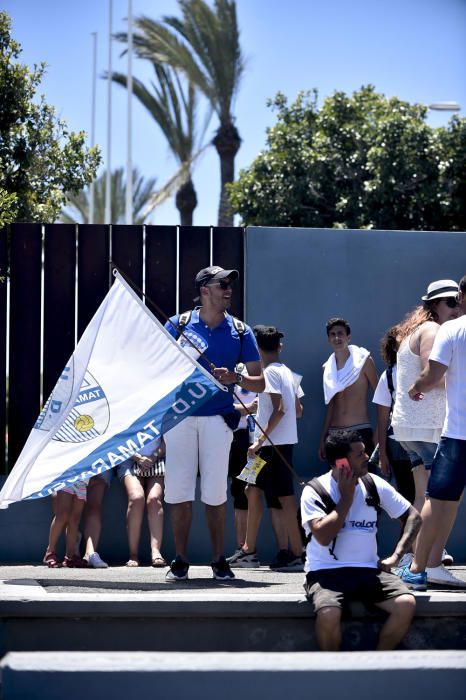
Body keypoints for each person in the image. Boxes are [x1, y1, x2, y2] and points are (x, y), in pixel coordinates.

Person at [164, 266, 264, 581]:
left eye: (230, 284)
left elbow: (260, 382)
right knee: (178, 491)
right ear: (205, 289)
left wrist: (237, 378)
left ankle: (219, 559)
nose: (228, 290)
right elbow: (155, 368)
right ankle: (179, 560)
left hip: (219, 422)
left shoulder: (240, 330)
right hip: (178, 419)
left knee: (216, 492)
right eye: (222, 284)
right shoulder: (177, 325)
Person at [301, 429, 421, 651]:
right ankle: (334, 672)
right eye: (359, 454)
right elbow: (323, 537)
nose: (367, 457)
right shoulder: (314, 490)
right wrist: (346, 498)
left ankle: (377, 663)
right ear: (341, 463)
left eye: (365, 451)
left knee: (406, 604)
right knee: (328, 614)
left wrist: (396, 556)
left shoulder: (373, 483)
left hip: (368, 571)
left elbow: (414, 517)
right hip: (326, 572)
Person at [396, 274, 466, 591]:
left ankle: (417, 567)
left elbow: (432, 374)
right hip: (439, 430)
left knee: (437, 499)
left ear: (463, 296)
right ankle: (434, 564)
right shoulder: (440, 329)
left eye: (456, 299)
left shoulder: (451, 330)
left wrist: (415, 388)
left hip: (455, 434)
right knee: (447, 501)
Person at [228, 325, 304, 571]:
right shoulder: (287, 372)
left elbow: (280, 410)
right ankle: (253, 549)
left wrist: (259, 441)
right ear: (278, 346)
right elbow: (297, 411)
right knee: (253, 489)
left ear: (257, 348)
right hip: (279, 444)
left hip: (270, 446)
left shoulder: (270, 373)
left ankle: (294, 553)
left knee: (282, 497)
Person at [318, 318, 378, 461]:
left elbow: (382, 398)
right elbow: (331, 405)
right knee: (340, 478)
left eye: (340, 333)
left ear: (348, 337)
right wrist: (323, 438)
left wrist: (379, 432)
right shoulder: (327, 368)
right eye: (332, 334)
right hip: (335, 435)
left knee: (363, 478)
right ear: (328, 339)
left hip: (360, 431)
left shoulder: (364, 361)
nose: (337, 337)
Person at [372, 325, 415, 504]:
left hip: (425, 440)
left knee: (426, 495)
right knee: (406, 496)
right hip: (397, 445)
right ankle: (409, 532)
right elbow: (382, 419)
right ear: (394, 346)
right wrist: (382, 455)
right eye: (400, 340)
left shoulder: (425, 370)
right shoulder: (388, 375)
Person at [117, 437, 166, 567]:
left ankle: (156, 552)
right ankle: (133, 555)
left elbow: (166, 441)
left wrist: (154, 457)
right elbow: (118, 441)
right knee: (136, 498)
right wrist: (138, 458)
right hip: (129, 460)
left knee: (154, 499)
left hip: (158, 458)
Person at [227, 379, 258, 556]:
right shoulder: (231, 372)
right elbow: (223, 406)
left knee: (264, 493)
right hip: (237, 440)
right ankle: (243, 550)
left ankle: (288, 550)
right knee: (240, 492)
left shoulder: (268, 374)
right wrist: (248, 407)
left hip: (262, 439)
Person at [43, 481, 89, 568]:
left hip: (83, 480)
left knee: (75, 519)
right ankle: (50, 552)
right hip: (67, 478)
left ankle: (70, 557)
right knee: (62, 515)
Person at [82, 470, 112, 568]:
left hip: (100, 463)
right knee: (68, 507)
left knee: (94, 506)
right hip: (72, 464)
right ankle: (72, 551)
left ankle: (90, 552)